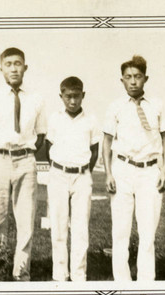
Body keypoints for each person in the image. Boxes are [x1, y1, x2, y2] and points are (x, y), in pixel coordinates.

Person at [102, 55, 165, 281]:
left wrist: (164, 171)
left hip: (150, 172)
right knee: (120, 231)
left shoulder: (157, 105)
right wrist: (108, 173)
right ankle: (122, 283)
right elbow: (106, 141)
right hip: (122, 169)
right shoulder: (115, 107)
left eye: (138, 77)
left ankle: (145, 283)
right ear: (121, 80)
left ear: (146, 78)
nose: (133, 82)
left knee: (147, 232)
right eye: (128, 77)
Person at [0, 47, 46, 281]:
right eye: (8, 64)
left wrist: (22, 154)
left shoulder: (36, 99)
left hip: (26, 160)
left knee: (26, 219)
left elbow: (42, 135)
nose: (14, 68)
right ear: (1, 69)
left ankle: (21, 272)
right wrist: (3, 154)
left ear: (25, 67)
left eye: (18, 63)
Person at [45, 76, 100, 281]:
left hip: (82, 176)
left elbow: (94, 151)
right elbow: (49, 146)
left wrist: (84, 170)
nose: (73, 101)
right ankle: (60, 274)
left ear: (83, 95)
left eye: (77, 96)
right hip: (58, 174)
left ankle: (79, 274)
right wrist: (60, 167)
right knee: (58, 225)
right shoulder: (54, 118)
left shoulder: (91, 120)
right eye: (68, 97)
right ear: (61, 96)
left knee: (80, 227)